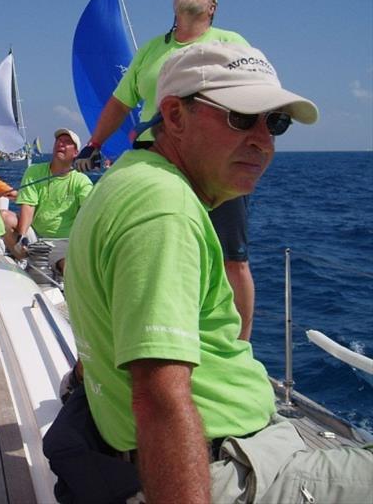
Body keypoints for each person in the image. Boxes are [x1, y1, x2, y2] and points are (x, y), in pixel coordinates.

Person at [54, 42, 371, 503]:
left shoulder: (127, 178)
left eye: (275, 122)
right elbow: (158, 397)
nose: (263, 140)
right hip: (225, 470)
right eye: (241, 117)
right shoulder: (164, 208)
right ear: (175, 117)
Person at [74, 0, 256, 340]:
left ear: (212, 5)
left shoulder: (231, 42)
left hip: (213, 160)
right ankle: (117, 336)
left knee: (232, 259)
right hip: (152, 158)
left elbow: (257, 95)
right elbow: (120, 102)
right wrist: (93, 144)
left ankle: (240, 348)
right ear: (174, 3)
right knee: (125, 237)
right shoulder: (150, 52)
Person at [6, 128, 92, 270]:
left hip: (64, 241)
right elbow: (28, 206)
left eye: (67, 142)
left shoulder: (82, 181)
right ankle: (22, 256)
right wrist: (22, 237)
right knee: (4, 217)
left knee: (66, 267)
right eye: (58, 141)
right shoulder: (34, 172)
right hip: (34, 236)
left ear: (76, 153)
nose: (61, 144)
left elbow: (88, 213)